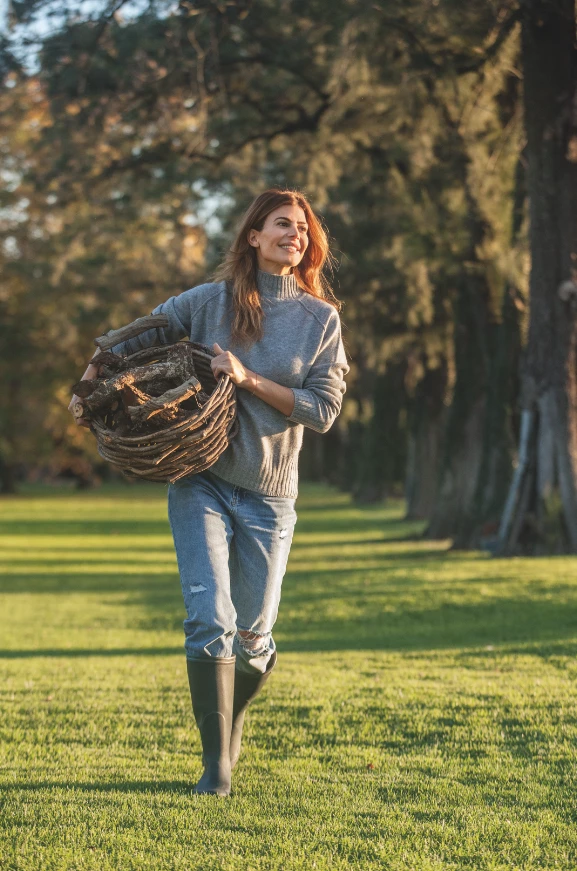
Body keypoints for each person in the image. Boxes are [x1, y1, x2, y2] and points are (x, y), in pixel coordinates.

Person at [69, 188, 349, 796]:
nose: (294, 235)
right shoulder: (208, 302)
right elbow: (133, 337)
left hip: (271, 492)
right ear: (253, 235)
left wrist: (247, 378)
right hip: (201, 481)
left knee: (252, 636)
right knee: (208, 619)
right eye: (282, 225)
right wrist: (90, 381)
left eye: (302, 229)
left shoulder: (319, 319)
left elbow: (323, 410)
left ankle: (233, 715)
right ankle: (215, 768)